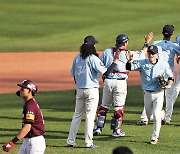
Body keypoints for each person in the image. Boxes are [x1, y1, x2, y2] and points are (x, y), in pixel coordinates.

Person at [93, 32, 153, 137]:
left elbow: (100, 66)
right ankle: (116, 130)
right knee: (119, 107)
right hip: (120, 82)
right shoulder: (130, 54)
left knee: (104, 106)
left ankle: (98, 128)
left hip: (108, 81)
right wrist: (146, 42)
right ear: (125, 43)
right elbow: (143, 53)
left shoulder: (107, 51)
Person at [66, 35, 120, 148]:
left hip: (80, 89)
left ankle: (70, 141)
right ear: (92, 46)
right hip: (91, 90)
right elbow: (106, 73)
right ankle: (88, 142)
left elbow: (74, 75)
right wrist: (114, 62)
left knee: (77, 115)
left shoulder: (77, 58)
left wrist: (78, 87)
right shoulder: (93, 58)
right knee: (90, 117)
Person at [126, 45, 174, 144]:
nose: (151, 55)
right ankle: (162, 114)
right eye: (149, 53)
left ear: (157, 54)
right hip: (147, 93)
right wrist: (129, 61)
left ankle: (154, 137)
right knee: (149, 116)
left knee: (155, 115)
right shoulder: (142, 63)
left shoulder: (163, 64)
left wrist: (168, 86)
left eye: (153, 53)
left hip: (159, 93)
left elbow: (171, 77)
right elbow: (129, 67)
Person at [137, 24, 180, 125]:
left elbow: (147, 51)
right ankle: (167, 118)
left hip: (156, 72)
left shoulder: (156, 43)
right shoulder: (174, 46)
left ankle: (145, 118)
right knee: (169, 97)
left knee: (151, 94)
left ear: (162, 33)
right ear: (172, 34)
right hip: (168, 73)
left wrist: (147, 42)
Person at [2, 80, 46, 153]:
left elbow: (27, 127)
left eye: (23, 89)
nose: (20, 90)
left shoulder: (30, 106)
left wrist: (12, 142)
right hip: (27, 141)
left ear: (30, 91)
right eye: (21, 88)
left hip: (35, 142)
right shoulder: (29, 103)